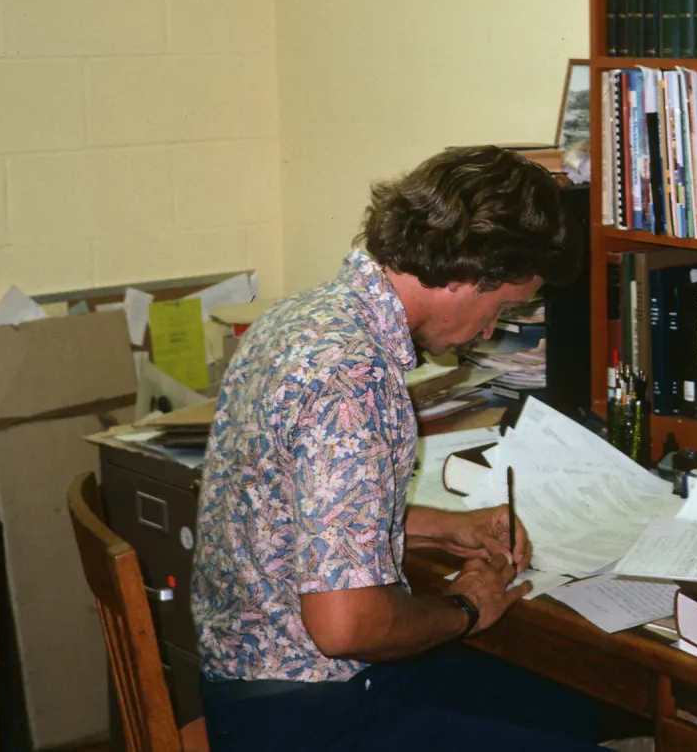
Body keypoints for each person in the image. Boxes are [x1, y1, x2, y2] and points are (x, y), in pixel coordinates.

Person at [192, 146, 601, 751]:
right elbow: (347, 625)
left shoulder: (300, 317)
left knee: (568, 709)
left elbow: (309, 519)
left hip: (247, 687)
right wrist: (465, 607)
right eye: (503, 308)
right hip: (309, 712)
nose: (490, 330)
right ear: (472, 272)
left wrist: (446, 528)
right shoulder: (356, 380)